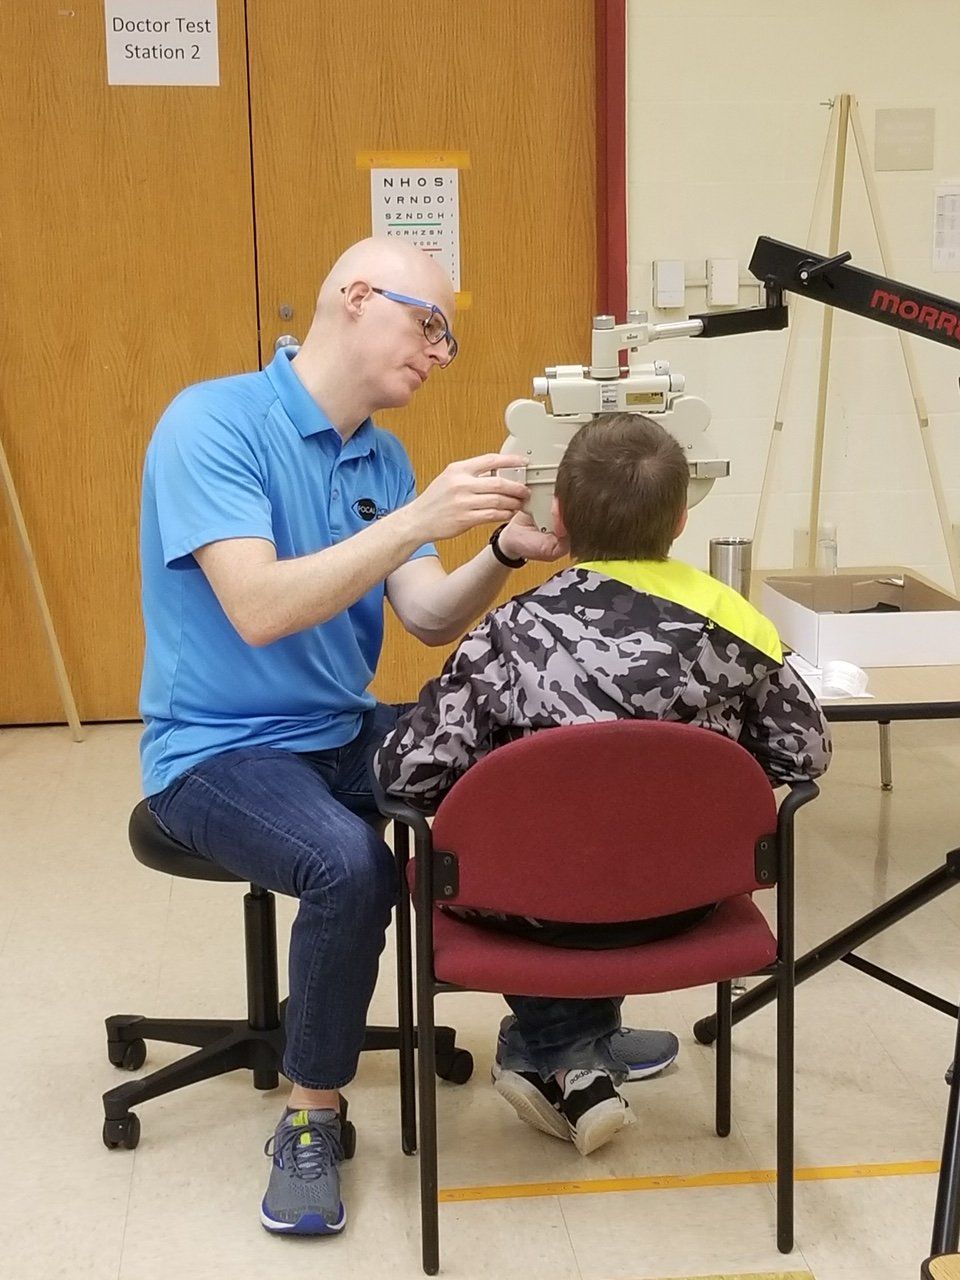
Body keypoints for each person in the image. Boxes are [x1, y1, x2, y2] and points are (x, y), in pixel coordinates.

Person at [139, 237, 572, 1236]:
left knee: (503, 777)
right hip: (212, 749)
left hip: (337, 726)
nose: (440, 351)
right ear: (355, 297)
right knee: (350, 866)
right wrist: (418, 514)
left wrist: (501, 549)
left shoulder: (381, 454)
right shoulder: (212, 423)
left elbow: (422, 612)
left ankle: (555, 1035)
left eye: (448, 338)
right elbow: (255, 605)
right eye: (429, 326)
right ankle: (310, 1115)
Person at [374, 412, 832, 1157]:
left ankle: (558, 1049)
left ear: (557, 516)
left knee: (489, 860)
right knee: (609, 850)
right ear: (682, 521)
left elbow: (404, 773)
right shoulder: (741, 633)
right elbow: (805, 755)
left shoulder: (506, 637)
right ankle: (569, 1050)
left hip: (532, 914)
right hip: (682, 905)